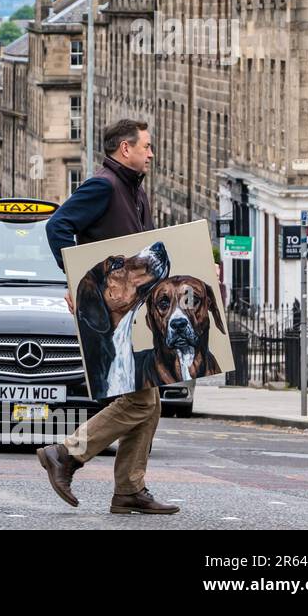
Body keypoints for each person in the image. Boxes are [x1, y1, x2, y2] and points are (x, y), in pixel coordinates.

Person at [38, 118, 179, 515]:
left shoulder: (135, 191)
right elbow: (58, 226)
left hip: (133, 314)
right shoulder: (104, 186)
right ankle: (65, 455)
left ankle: (129, 490)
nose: (151, 153)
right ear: (125, 149)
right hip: (107, 312)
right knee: (137, 401)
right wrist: (76, 282)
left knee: (149, 400)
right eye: (147, 146)